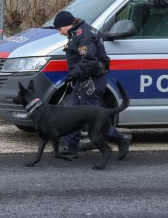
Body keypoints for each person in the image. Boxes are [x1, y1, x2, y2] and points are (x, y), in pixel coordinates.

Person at [52, 10, 132, 158]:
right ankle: (71, 147)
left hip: (91, 81)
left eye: (59, 29)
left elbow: (89, 60)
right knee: (72, 114)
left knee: (93, 118)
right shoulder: (80, 32)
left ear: (66, 24)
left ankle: (121, 139)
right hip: (82, 80)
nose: (60, 33)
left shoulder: (84, 35)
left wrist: (73, 74)